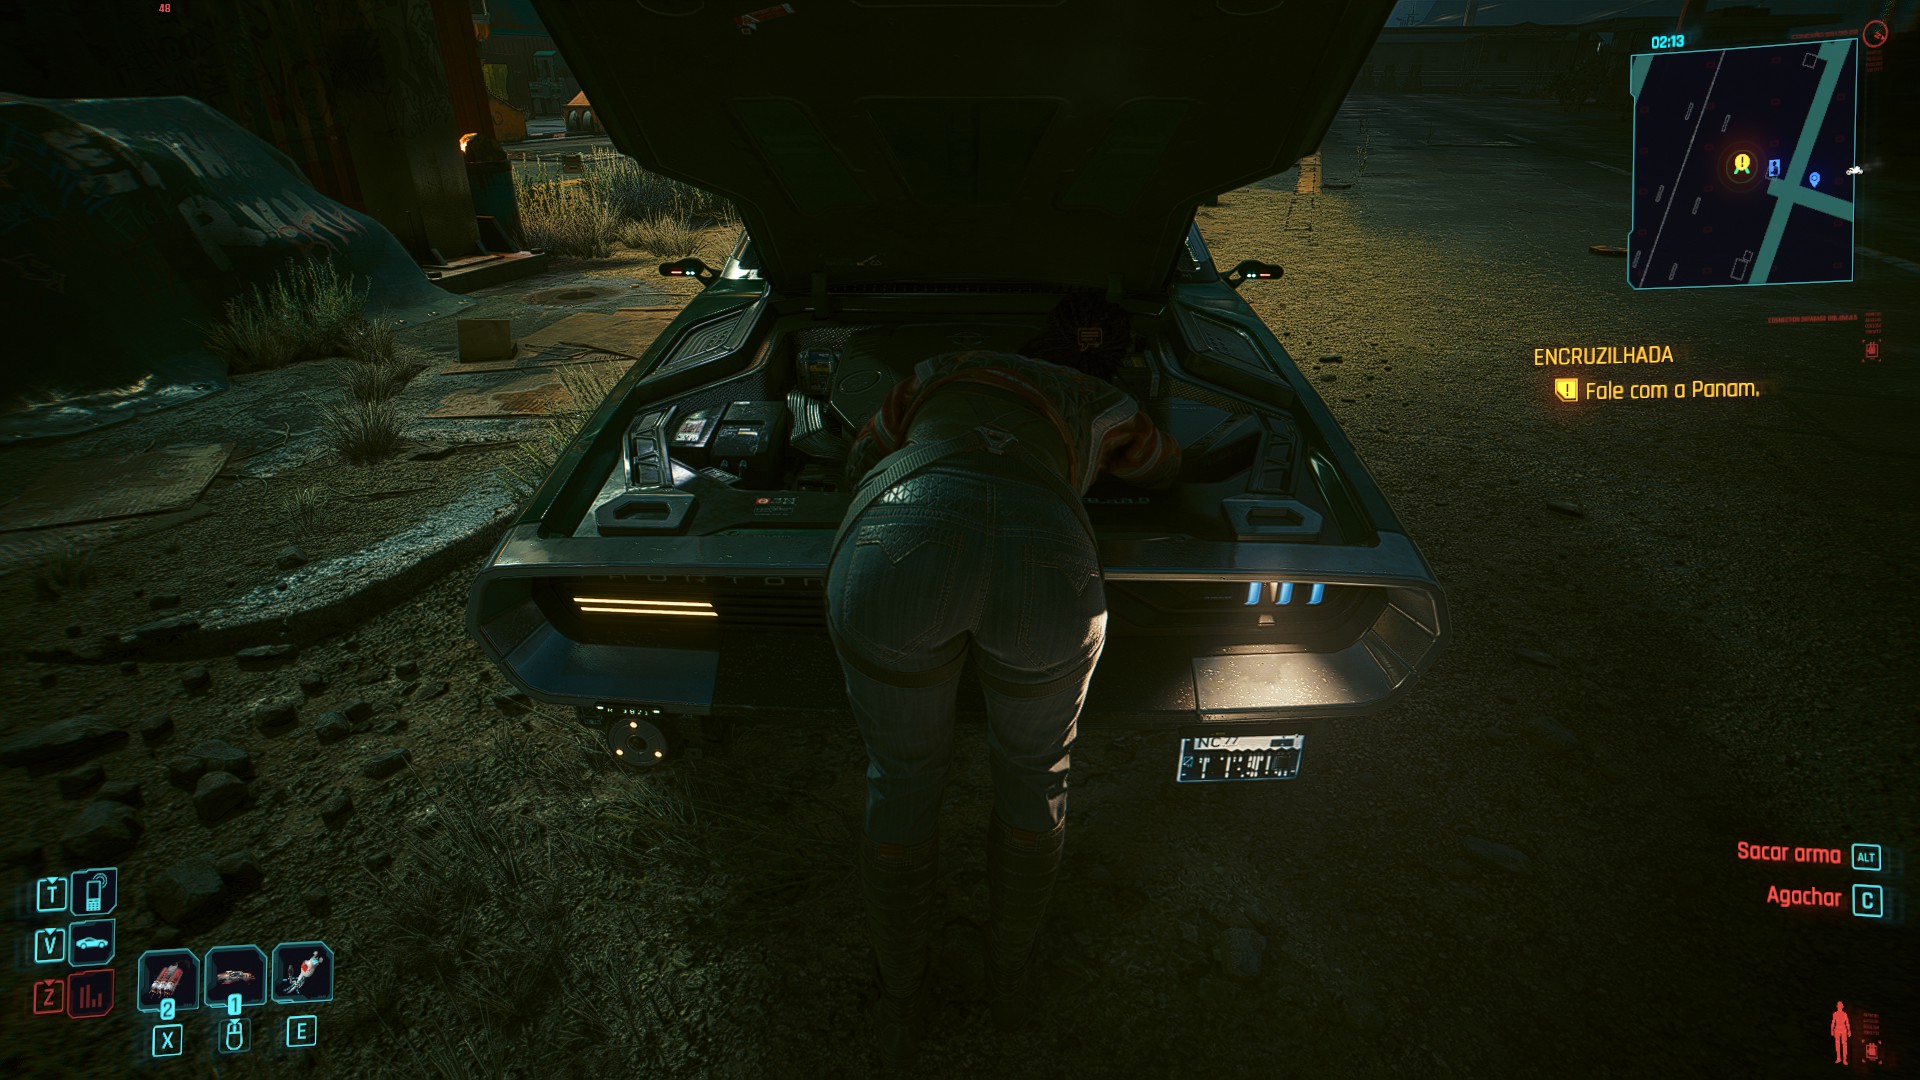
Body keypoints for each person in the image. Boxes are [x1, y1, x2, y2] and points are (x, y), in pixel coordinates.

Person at [825, 293, 1181, 1065]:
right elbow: (1164, 470)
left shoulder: (945, 366)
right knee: (1037, 775)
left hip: (900, 532)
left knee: (900, 778)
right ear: (1109, 361)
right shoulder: (1109, 400)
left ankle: (900, 998)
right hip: (1049, 552)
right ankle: (1010, 976)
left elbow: (860, 455)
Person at [1832, 1001, 1851, 1065]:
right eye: (1839, 1005)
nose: (1840, 1007)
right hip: (1837, 1030)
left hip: (1843, 1030)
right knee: (1837, 1045)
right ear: (1837, 1006)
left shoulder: (1845, 1014)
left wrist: (1849, 1030)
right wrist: (1832, 1030)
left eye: (1841, 1006)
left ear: (1842, 1007)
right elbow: (1833, 1022)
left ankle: (1844, 1059)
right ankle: (1838, 1058)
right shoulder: (1835, 1014)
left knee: (1844, 1045)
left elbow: (1847, 1023)